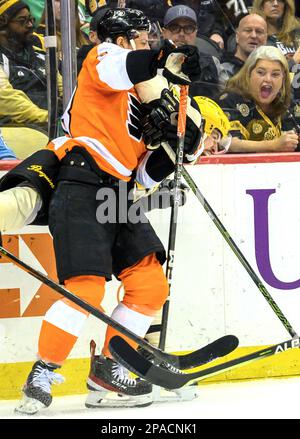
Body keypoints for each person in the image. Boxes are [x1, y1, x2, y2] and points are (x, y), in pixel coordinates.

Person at [0, 7, 202, 414]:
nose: (148, 45)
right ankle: (42, 372)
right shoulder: (103, 59)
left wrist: (171, 150)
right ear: (123, 39)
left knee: (150, 288)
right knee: (87, 289)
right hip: (80, 184)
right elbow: (125, 67)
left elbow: (144, 174)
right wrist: (165, 59)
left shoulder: (143, 97)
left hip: (121, 194)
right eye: (143, 39)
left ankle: (111, 368)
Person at [218, 45, 300, 153]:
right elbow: (226, 143)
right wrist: (273, 145)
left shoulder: (286, 103)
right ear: (248, 74)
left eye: (275, 74)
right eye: (261, 73)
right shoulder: (230, 99)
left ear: (283, 79)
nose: (268, 79)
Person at [0, 0, 51, 129]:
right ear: (3, 25)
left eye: (31, 19)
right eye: (22, 20)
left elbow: (63, 87)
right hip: (20, 129)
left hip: (53, 123)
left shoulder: (41, 56)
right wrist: (49, 117)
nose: (30, 25)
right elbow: (7, 100)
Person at [162, 4, 220, 99]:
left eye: (188, 28)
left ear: (196, 32)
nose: (181, 34)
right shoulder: (152, 62)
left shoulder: (212, 63)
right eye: (174, 27)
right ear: (164, 32)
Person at [219, 14, 268, 89]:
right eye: (248, 30)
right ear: (237, 37)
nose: (254, 36)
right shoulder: (223, 70)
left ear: (265, 39)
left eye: (259, 31)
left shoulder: (272, 70)